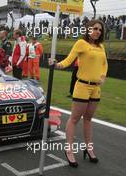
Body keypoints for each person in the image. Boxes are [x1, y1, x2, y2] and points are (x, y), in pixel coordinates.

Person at [50, 20, 108, 167]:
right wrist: (56, 64)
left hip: (96, 88)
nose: (98, 32)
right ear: (89, 29)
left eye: (100, 30)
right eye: (95, 29)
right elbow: (68, 60)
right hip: (82, 86)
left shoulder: (101, 46)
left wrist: (102, 76)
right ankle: (69, 150)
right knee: (75, 118)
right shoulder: (81, 43)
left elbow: (104, 64)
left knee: (88, 119)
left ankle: (89, 148)